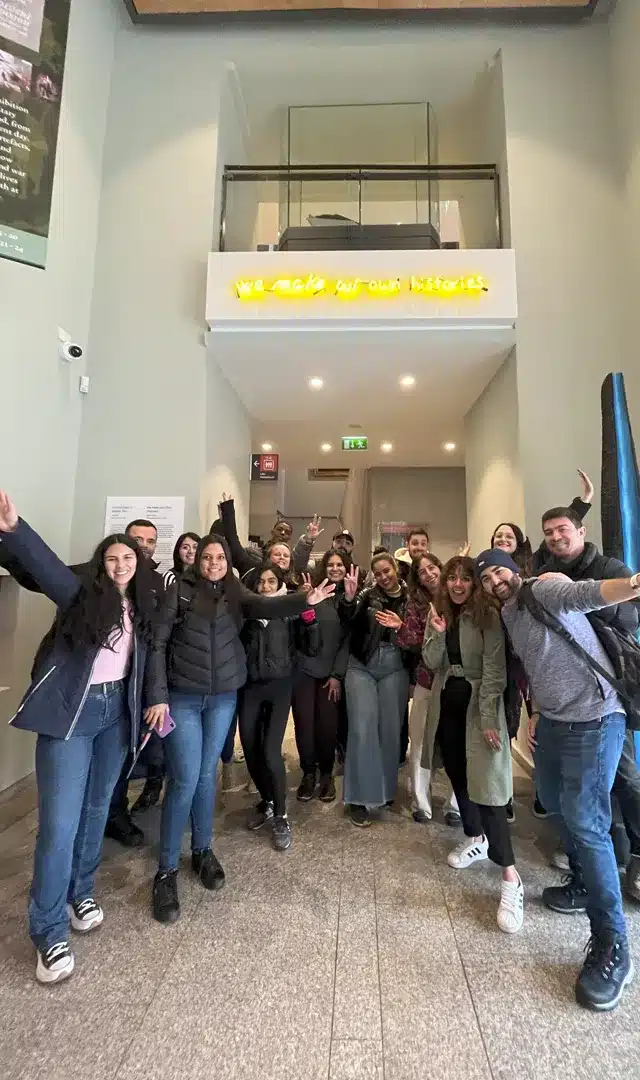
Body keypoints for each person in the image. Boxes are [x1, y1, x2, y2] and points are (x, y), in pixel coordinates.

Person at [0, 491, 155, 985]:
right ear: (100, 564)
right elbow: (45, 568)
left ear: (140, 561)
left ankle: (79, 891)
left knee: (95, 810)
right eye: (111, 557)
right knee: (59, 825)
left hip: (116, 714)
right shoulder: (81, 596)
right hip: (74, 714)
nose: (120, 564)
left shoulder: (143, 608)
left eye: (128, 556)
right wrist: (15, 528)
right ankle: (47, 931)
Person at [477, 547, 639, 1011]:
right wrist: (535, 713)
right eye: (485, 577)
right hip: (553, 720)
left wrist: (631, 586)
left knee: (587, 823)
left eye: (498, 571)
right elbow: (538, 665)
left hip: (594, 716)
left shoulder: (540, 590)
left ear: (515, 570)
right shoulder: (509, 613)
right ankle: (586, 882)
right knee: (548, 797)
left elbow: (586, 595)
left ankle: (612, 944)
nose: (493, 580)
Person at [144, 533, 335, 923]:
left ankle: (202, 850)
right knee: (183, 778)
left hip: (221, 698)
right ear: (197, 560)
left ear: (227, 563)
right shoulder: (178, 592)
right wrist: (158, 695)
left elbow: (268, 604)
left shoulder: (235, 594)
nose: (213, 562)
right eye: (207, 556)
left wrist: (305, 601)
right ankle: (166, 870)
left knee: (205, 777)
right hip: (182, 696)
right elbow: (158, 644)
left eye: (219, 557)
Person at [534, 505, 640, 901]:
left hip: (610, 690)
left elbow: (630, 619)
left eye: (563, 529)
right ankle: (598, 862)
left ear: (581, 531)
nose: (556, 537)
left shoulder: (610, 567)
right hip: (570, 693)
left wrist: (578, 595)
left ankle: (635, 854)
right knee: (575, 787)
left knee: (625, 775)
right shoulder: (545, 565)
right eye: (549, 532)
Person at [422, 556, 523, 934]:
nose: (459, 584)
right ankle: (475, 838)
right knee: (456, 772)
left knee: (490, 790)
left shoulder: (487, 616)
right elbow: (433, 662)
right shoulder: (443, 614)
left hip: (480, 706)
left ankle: (511, 878)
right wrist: (435, 631)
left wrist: (487, 717)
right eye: (454, 578)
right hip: (448, 701)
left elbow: (495, 669)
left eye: (467, 578)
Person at [240, 564, 319, 850]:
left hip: (279, 688)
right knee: (250, 749)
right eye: (261, 581)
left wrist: (310, 619)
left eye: (271, 581)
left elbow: (311, 647)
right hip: (249, 688)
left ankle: (282, 815)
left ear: (280, 583)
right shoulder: (247, 613)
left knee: (270, 751)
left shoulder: (289, 611)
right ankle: (268, 800)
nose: (266, 586)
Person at [339, 554, 410, 827]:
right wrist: (348, 598)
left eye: (386, 570)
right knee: (361, 727)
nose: (383, 576)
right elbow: (348, 618)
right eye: (378, 573)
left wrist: (401, 626)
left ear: (395, 568)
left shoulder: (411, 598)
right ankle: (357, 798)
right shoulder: (366, 595)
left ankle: (384, 790)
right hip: (362, 665)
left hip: (395, 665)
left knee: (390, 730)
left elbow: (418, 633)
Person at [397, 554, 460, 825]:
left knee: (457, 742)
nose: (428, 574)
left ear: (441, 568)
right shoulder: (416, 603)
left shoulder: (460, 595)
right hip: (426, 679)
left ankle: (457, 804)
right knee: (421, 741)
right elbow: (408, 637)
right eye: (421, 572)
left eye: (432, 568)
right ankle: (421, 802)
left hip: (459, 680)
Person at [292, 549, 352, 803]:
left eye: (340, 564)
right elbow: (299, 631)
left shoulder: (349, 598)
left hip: (331, 673)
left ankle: (326, 775)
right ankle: (308, 773)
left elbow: (347, 640)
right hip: (304, 669)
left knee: (327, 726)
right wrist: (307, 603)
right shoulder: (311, 591)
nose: (335, 568)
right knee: (304, 725)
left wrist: (337, 675)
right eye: (330, 564)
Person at [217, 494, 321, 584]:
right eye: (277, 554)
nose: (282, 557)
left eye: (285, 555)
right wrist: (227, 515)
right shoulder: (253, 560)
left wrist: (308, 540)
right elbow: (235, 549)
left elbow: (299, 557)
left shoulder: (291, 573)